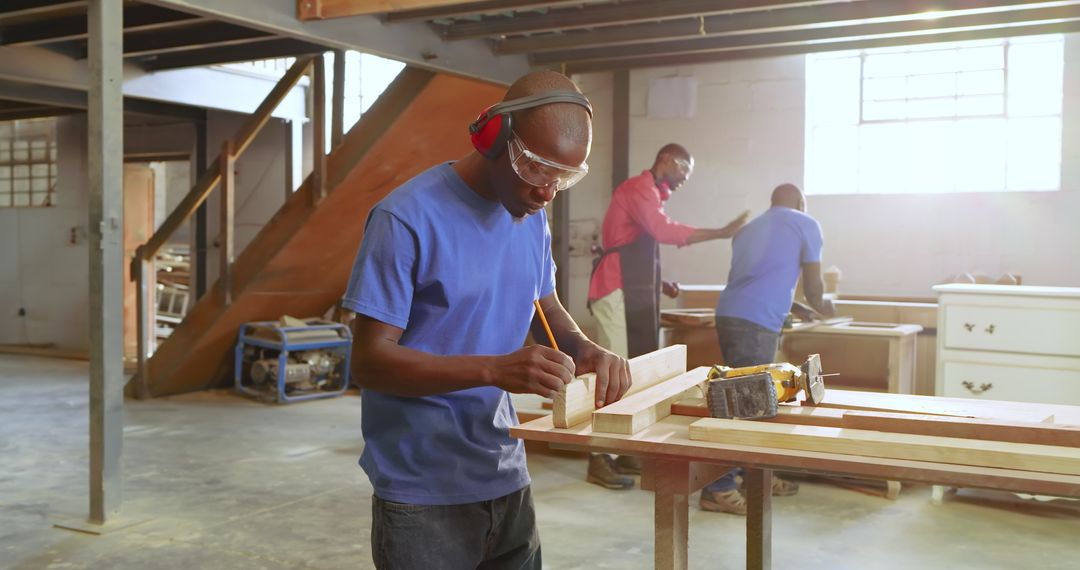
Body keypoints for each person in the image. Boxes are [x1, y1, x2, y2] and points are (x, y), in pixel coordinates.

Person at [342, 70, 631, 569]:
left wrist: (585, 347)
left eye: (563, 178)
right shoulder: (406, 219)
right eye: (537, 170)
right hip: (422, 488)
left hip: (504, 468)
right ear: (494, 138)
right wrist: (494, 369)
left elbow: (545, 306)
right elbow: (368, 362)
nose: (547, 193)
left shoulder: (530, 215)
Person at [584, 144, 749, 489]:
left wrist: (661, 284)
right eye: (683, 169)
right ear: (666, 160)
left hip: (629, 291)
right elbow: (663, 230)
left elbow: (635, 248)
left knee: (634, 373)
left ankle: (623, 449)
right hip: (614, 290)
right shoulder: (638, 188)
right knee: (614, 372)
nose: (685, 178)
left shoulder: (650, 194)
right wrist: (719, 233)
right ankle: (599, 456)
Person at [699, 182, 836, 515]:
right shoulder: (806, 223)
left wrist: (793, 305)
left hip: (730, 313)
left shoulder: (748, 229)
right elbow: (815, 288)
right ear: (800, 203)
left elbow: (757, 276)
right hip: (756, 322)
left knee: (753, 401)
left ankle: (756, 476)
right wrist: (824, 306)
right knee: (746, 403)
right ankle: (718, 487)